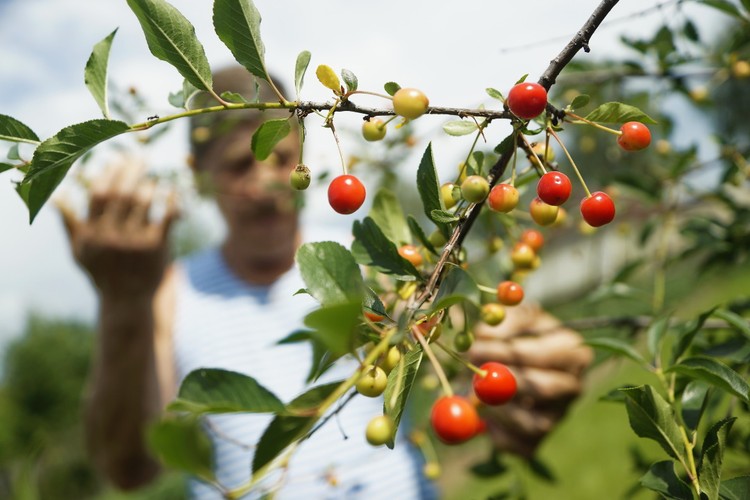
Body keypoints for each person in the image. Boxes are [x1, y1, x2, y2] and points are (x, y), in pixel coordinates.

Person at [58, 65, 591, 498]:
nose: (265, 184)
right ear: (199, 175)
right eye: (239, 166)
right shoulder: (165, 296)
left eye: (280, 158)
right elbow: (128, 467)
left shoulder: (372, 255)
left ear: (304, 158)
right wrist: (123, 303)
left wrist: (524, 375)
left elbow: (460, 352)